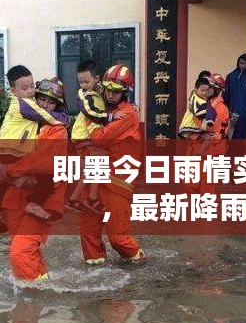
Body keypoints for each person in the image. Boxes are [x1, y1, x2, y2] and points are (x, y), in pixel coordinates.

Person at [0, 79, 69, 281]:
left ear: (58, 105)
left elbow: (43, 162)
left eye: (51, 101)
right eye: (41, 98)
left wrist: (9, 170)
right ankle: (43, 291)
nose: (45, 104)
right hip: (16, 196)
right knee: (25, 250)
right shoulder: (26, 123)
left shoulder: (57, 130)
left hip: (42, 198)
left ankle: (33, 296)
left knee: (20, 253)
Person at [78, 64, 144, 266]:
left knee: (118, 238)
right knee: (88, 229)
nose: (111, 94)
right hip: (95, 174)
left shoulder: (128, 114)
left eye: (116, 91)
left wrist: (89, 122)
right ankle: (95, 266)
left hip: (117, 179)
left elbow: (99, 138)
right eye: (108, 89)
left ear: (125, 92)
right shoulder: (102, 107)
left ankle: (138, 260)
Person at [0, 67, 65, 229]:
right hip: (10, 153)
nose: (29, 91)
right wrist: (65, 118)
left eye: (31, 86)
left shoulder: (52, 129)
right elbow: (48, 116)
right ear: (13, 90)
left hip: (17, 165)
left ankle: (31, 204)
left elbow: (44, 161)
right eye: (42, 99)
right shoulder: (24, 105)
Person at [66, 60, 124, 214]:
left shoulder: (99, 92)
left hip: (87, 136)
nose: (83, 85)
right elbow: (91, 112)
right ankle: (86, 198)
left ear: (96, 79)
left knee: (92, 168)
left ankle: (78, 199)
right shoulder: (86, 96)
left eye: (86, 81)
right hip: (82, 137)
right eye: (80, 82)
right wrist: (111, 117)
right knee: (97, 164)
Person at [224, 53, 246, 140]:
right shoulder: (231, 77)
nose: (243, 66)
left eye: (245, 64)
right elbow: (226, 95)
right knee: (231, 136)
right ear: (238, 63)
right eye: (241, 63)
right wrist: (226, 111)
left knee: (244, 136)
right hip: (233, 114)